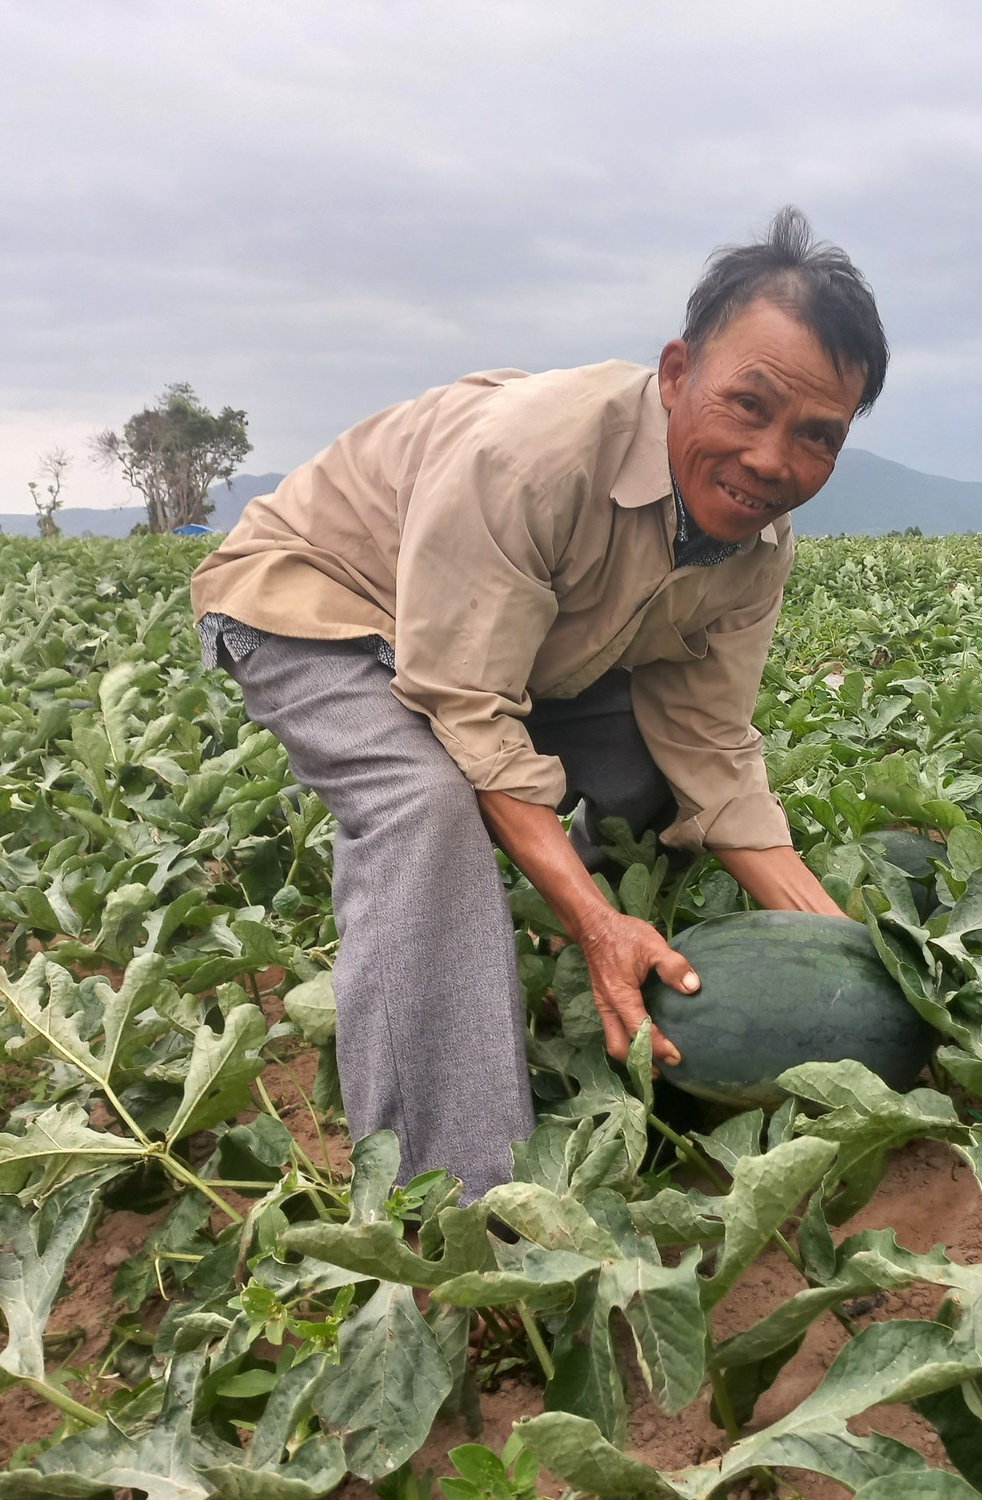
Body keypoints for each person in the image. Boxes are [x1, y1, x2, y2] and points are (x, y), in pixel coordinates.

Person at [189, 208, 888, 1199]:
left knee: (651, 775)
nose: (773, 460)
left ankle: (536, 976)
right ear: (677, 372)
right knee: (423, 805)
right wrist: (596, 919)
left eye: (814, 437)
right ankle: (451, 1199)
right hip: (317, 598)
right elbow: (465, 706)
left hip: (486, 638)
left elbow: (711, 751)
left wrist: (850, 962)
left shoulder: (752, 547)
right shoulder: (536, 454)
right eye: (748, 405)